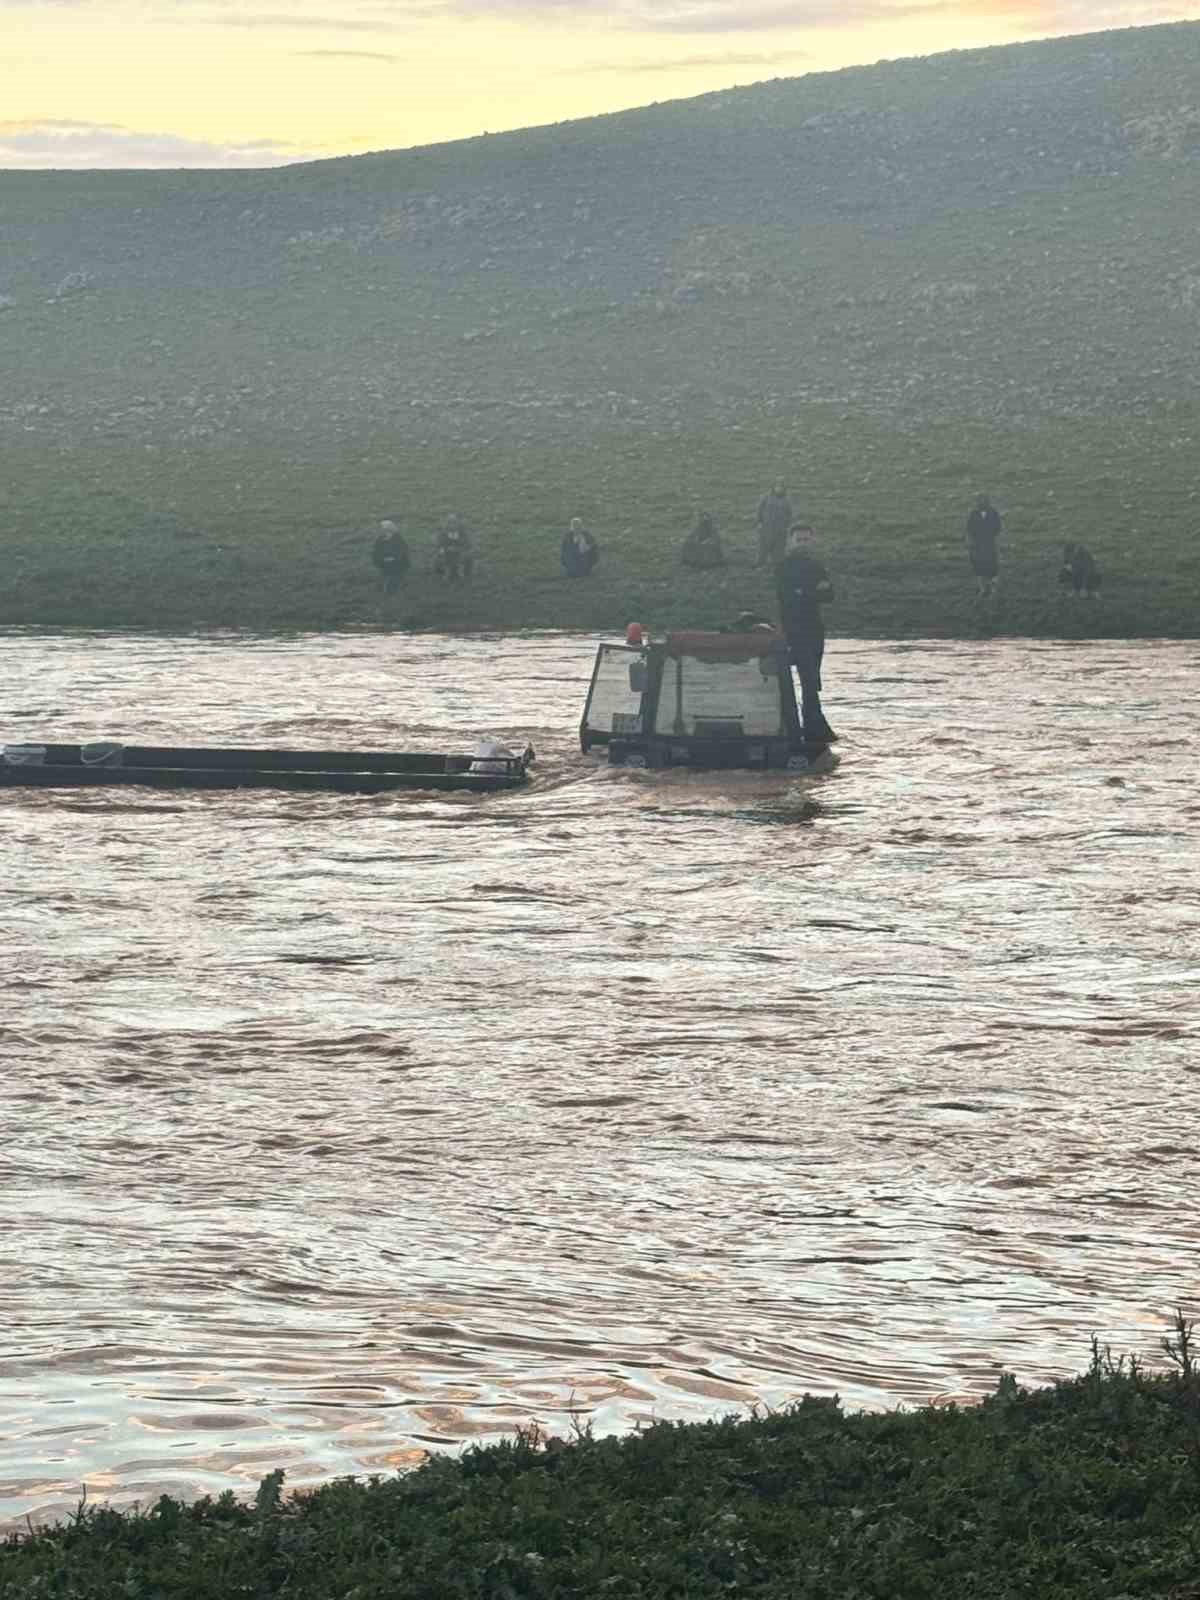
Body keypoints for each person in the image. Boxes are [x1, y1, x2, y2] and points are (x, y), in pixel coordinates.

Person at [775, 524, 836, 743]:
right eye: (798, 539)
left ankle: (812, 723)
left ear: (812, 541)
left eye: (806, 539)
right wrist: (813, 591)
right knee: (807, 678)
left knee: (813, 678)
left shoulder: (816, 566)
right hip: (793, 629)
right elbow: (789, 597)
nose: (802, 543)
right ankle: (811, 726)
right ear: (791, 541)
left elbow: (829, 594)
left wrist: (804, 592)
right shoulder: (784, 567)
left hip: (815, 629)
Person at [966, 494, 1001, 596]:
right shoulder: (973, 514)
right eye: (980, 501)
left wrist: (994, 540)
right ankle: (983, 589)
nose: (982, 503)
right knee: (979, 566)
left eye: (985, 501)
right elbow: (969, 529)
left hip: (990, 544)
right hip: (978, 545)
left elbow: (998, 528)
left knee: (992, 565)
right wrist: (971, 542)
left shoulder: (993, 513)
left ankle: (993, 589)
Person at [756, 482, 794, 568]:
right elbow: (759, 510)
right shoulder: (766, 498)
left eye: (781, 487)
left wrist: (787, 526)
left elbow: (790, 514)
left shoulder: (787, 501)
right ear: (773, 488)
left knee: (779, 550)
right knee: (763, 547)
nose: (779, 489)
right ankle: (760, 564)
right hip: (766, 527)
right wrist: (759, 522)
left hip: (780, 530)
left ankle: (778, 566)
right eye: (777, 487)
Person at [370, 520, 410, 595]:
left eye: (384, 529)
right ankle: (386, 584)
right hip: (384, 563)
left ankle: (392, 588)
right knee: (386, 576)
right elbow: (376, 552)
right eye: (382, 530)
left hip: (398, 563)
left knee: (393, 577)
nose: (382, 532)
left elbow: (403, 552)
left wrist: (394, 558)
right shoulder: (379, 540)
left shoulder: (399, 539)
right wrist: (382, 559)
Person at [434, 513, 474, 583]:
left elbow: (468, 544)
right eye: (449, 522)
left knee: (468, 555)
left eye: (454, 522)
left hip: (460, 553)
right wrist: (443, 549)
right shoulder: (443, 533)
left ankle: (461, 571)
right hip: (447, 554)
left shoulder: (464, 533)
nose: (452, 525)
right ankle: (447, 571)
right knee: (440, 555)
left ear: (458, 523)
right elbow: (439, 544)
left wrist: (460, 549)